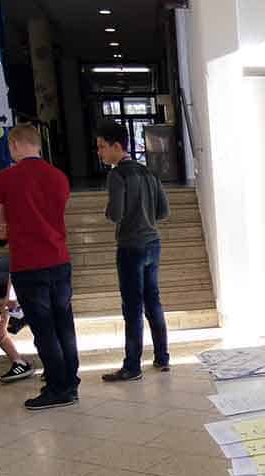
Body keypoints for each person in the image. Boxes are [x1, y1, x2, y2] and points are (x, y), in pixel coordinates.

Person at [0, 124, 78, 410]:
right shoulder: (59, 177)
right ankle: (70, 381)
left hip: (29, 264)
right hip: (59, 259)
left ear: (15, 144)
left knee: (44, 328)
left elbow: (0, 226)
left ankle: (56, 387)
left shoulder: (5, 178)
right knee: (64, 324)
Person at [95, 120, 171, 381]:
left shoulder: (117, 174)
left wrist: (110, 210)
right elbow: (163, 211)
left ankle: (132, 366)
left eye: (102, 147)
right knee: (154, 302)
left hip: (130, 247)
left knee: (132, 307)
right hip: (153, 244)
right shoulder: (149, 173)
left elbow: (115, 213)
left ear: (117, 146)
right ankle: (162, 358)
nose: (100, 152)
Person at [0, 279, 34, 383]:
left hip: (35, 302)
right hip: (22, 304)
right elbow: (11, 294)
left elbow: (11, 298)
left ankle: (22, 364)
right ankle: (19, 363)